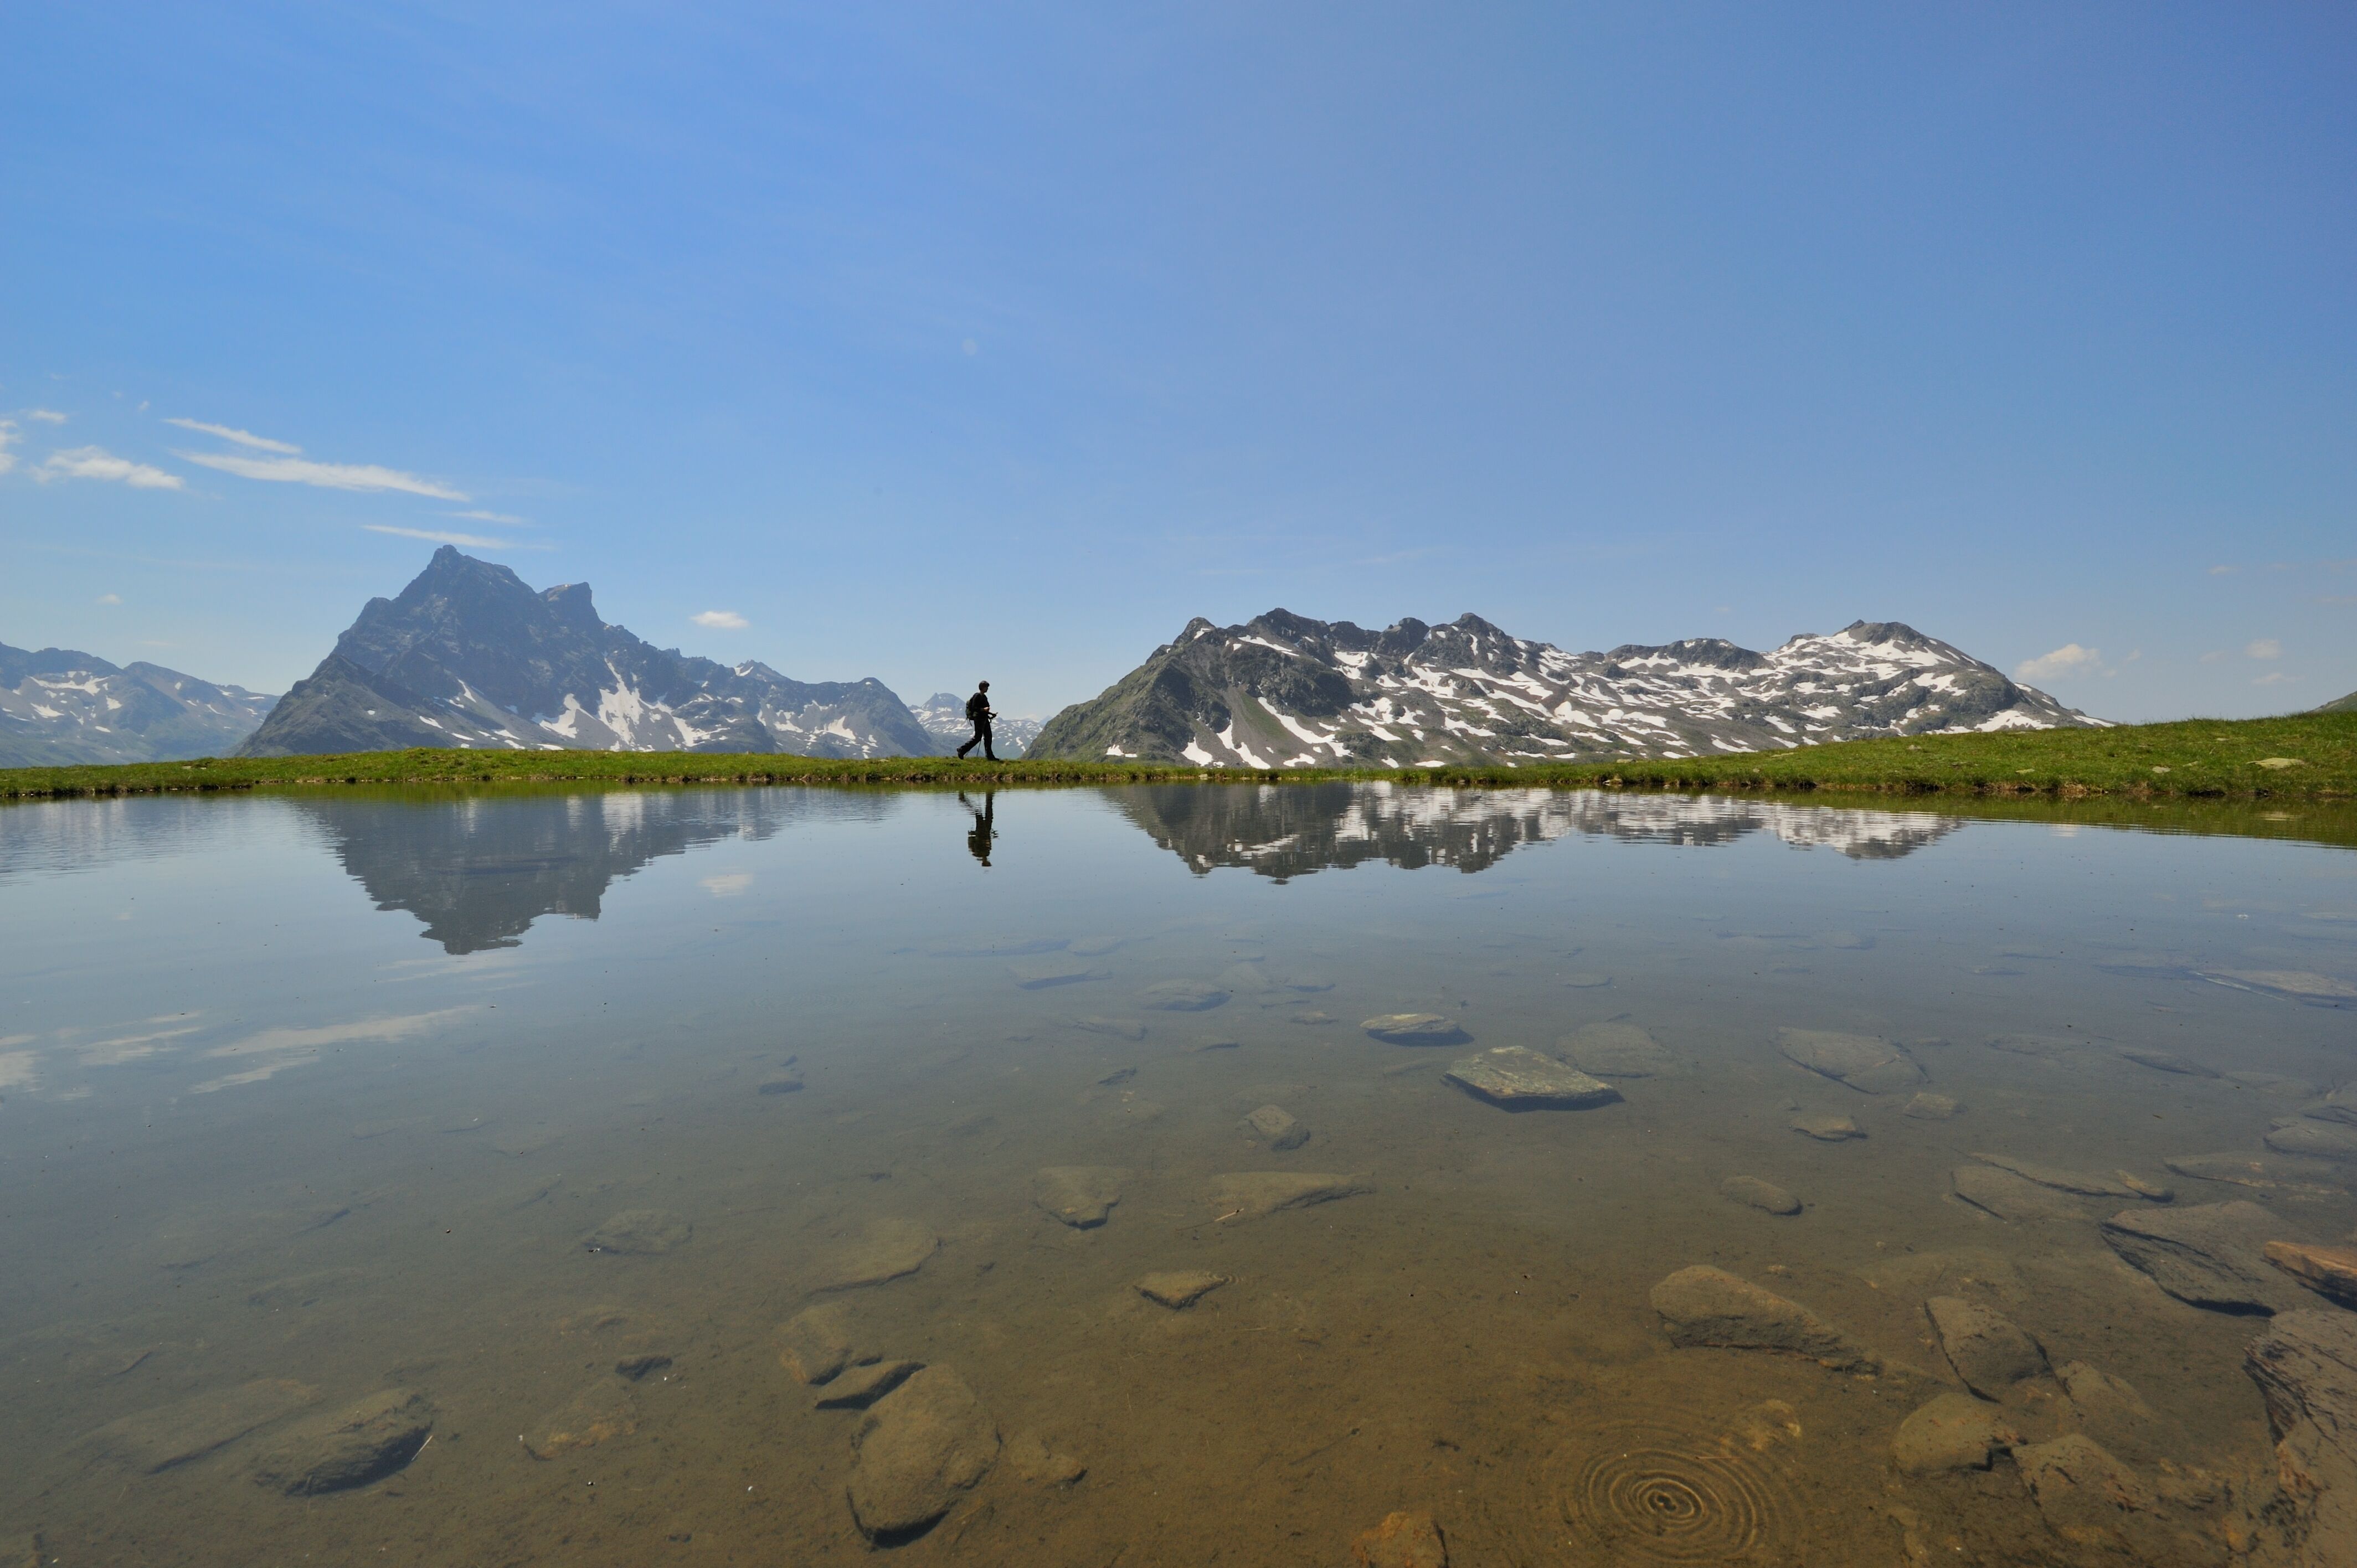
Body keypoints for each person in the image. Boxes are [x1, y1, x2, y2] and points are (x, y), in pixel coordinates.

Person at [955, 680, 996, 761]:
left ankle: (990, 756)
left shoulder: (984, 697)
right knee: (978, 737)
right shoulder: (977, 696)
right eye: (986, 687)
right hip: (979, 719)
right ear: (982, 687)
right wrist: (984, 709)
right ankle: (962, 750)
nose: (987, 689)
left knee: (988, 737)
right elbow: (974, 708)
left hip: (984, 718)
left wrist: (991, 714)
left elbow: (985, 710)